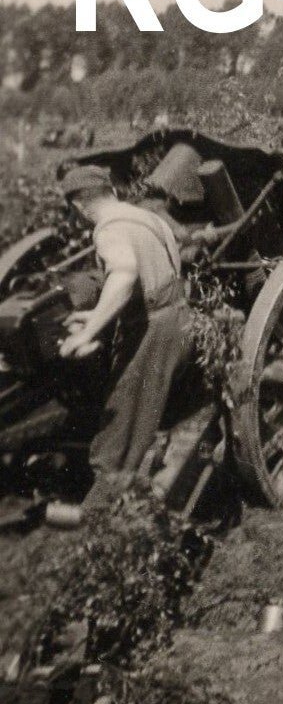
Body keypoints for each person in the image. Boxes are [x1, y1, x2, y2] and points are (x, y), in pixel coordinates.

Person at [57, 163, 194, 500]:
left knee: (118, 436)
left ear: (78, 205)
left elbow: (125, 273)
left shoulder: (109, 228)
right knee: (146, 420)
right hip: (179, 320)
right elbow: (158, 276)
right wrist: (96, 317)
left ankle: (103, 523)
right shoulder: (148, 218)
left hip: (152, 335)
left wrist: (87, 333)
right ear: (112, 190)